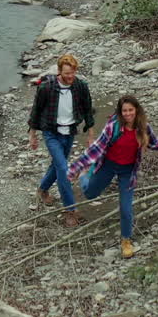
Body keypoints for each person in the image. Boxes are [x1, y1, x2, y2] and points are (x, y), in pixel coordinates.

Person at [67, 95, 158, 258]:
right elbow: (95, 149)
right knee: (90, 193)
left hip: (128, 171)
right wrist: (76, 168)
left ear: (136, 110)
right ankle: (85, 176)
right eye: (124, 111)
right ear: (120, 112)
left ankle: (126, 240)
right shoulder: (113, 127)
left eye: (130, 110)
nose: (127, 114)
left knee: (126, 208)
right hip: (108, 166)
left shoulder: (143, 128)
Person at [27, 54, 96, 227]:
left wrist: (90, 134)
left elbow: (88, 109)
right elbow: (36, 111)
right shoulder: (46, 88)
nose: (70, 77)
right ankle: (70, 210)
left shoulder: (80, 86)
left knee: (57, 166)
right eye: (66, 73)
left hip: (69, 132)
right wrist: (32, 135)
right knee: (64, 170)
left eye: (72, 73)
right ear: (59, 71)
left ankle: (42, 190)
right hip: (51, 133)